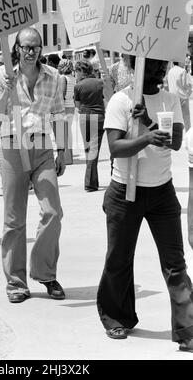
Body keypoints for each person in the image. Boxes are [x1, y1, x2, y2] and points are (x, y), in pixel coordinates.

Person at [97, 57, 193, 352]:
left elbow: (175, 141)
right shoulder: (120, 101)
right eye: (150, 67)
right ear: (134, 66)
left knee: (175, 264)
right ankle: (116, 317)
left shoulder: (170, 99)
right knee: (119, 259)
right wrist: (146, 137)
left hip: (162, 193)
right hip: (125, 192)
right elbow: (115, 147)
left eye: (160, 68)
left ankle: (187, 329)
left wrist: (149, 124)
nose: (156, 73)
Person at [0, 27, 66, 303]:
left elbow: (58, 113)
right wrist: (5, 92)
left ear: (42, 49)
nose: (30, 52)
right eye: (25, 47)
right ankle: (16, 283)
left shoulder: (53, 76)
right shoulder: (2, 75)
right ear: (16, 49)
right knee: (14, 220)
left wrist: (63, 150)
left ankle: (44, 272)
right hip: (11, 147)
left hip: (42, 147)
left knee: (53, 212)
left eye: (35, 47)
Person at [74, 60, 105, 192]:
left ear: (81, 71)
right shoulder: (100, 83)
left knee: (88, 150)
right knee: (94, 150)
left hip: (84, 117)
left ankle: (91, 181)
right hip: (98, 117)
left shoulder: (78, 85)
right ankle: (91, 183)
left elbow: (78, 105)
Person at [59, 59, 76, 165]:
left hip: (64, 107)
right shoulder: (73, 78)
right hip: (71, 106)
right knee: (68, 132)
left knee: (63, 133)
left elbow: (61, 94)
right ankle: (69, 157)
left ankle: (67, 158)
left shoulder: (62, 78)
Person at [167, 61, 192, 132]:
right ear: (179, 62)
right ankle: (188, 133)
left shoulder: (170, 71)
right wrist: (189, 92)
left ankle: (174, 133)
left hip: (172, 96)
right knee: (186, 117)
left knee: (175, 117)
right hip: (182, 96)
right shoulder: (182, 71)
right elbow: (186, 84)